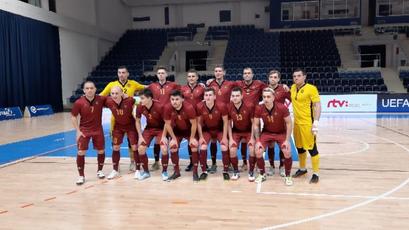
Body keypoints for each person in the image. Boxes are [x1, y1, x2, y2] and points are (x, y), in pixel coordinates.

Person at [100, 66, 145, 172]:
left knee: (132, 143)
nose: (121, 74)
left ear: (127, 74)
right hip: (115, 119)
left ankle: (133, 163)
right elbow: (101, 96)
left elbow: (145, 87)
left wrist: (155, 86)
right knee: (115, 144)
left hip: (129, 116)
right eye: (119, 72)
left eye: (123, 72)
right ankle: (116, 165)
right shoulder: (111, 85)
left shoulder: (133, 83)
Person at [253, 87, 293, 185]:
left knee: (287, 151)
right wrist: (258, 140)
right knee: (258, 150)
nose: (266, 99)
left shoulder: (282, 108)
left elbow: (289, 123)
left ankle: (288, 176)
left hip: (281, 133)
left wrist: (287, 140)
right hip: (267, 133)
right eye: (264, 97)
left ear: (273, 97)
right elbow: (256, 124)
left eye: (268, 97)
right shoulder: (259, 108)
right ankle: (262, 174)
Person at [71, 81, 107, 185]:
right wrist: (77, 131)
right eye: (87, 88)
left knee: (101, 150)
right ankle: (81, 176)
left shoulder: (101, 99)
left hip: (97, 129)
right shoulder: (79, 102)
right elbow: (73, 117)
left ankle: (100, 170)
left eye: (91, 88)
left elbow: (114, 98)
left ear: (95, 89)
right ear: (83, 90)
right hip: (84, 130)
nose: (89, 90)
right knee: (81, 152)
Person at [290, 68, 321, 184]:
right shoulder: (292, 88)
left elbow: (317, 105)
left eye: (298, 76)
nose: (296, 78)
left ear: (304, 77)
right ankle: (302, 169)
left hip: (308, 124)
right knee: (300, 148)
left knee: (312, 149)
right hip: (297, 124)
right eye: (294, 76)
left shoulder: (311, 89)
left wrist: (316, 122)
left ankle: (316, 173)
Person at [162, 90, 199, 181]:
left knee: (194, 146)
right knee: (173, 146)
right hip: (176, 131)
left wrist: (192, 138)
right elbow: (167, 124)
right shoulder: (167, 108)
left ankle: (195, 172)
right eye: (172, 99)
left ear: (182, 99)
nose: (174, 101)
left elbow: (194, 124)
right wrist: (173, 139)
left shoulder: (189, 108)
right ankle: (176, 172)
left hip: (189, 130)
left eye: (177, 99)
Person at [148, 66, 179, 171]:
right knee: (158, 142)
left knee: (172, 140)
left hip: (170, 116)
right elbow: (144, 93)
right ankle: (156, 162)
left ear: (166, 74)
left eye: (162, 73)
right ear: (157, 75)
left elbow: (183, 90)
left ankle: (175, 164)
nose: (161, 75)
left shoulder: (173, 85)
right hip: (157, 117)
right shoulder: (152, 86)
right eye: (159, 73)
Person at [206, 65, 236, 173]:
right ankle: (214, 164)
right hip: (213, 115)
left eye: (220, 71)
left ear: (224, 72)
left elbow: (243, 87)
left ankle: (229, 164)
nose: (218, 73)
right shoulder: (210, 84)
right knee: (213, 140)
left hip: (226, 116)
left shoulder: (230, 84)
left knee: (226, 141)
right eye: (216, 71)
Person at [235, 67, 266, 171]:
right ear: (243, 75)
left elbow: (270, 88)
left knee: (257, 140)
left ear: (253, 75)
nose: (247, 75)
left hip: (256, 118)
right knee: (244, 141)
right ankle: (244, 162)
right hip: (242, 118)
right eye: (245, 73)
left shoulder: (260, 84)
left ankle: (257, 163)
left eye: (249, 73)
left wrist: (282, 85)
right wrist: (210, 81)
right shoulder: (238, 84)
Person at [104, 86, 138, 180]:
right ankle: (115, 170)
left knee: (134, 146)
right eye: (112, 93)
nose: (114, 95)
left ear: (121, 93)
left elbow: (139, 101)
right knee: (115, 147)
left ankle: (138, 170)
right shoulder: (108, 101)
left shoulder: (130, 100)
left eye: (116, 93)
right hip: (118, 127)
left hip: (131, 126)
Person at [135, 89, 168, 181]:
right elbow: (137, 121)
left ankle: (164, 172)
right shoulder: (140, 107)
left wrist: (164, 136)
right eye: (140, 98)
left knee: (164, 148)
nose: (140, 100)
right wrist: (140, 136)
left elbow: (167, 123)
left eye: (142, 98)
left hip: (161, 129)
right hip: (149, 129)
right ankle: (146, 172)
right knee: (141, 149)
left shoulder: (160, 106)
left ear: (149, 98)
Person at [196, 88, 229, 181]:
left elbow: (226, 122)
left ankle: (225, 171)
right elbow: (198, 123)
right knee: (202, 147)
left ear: (215, 96)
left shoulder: (221, 106)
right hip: (207, 130)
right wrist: (201, 137)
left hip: (219, 130)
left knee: (224, 147)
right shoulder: (199, 106)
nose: (208, 97)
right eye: (206, 95)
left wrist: (225, 137)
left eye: (210, 95)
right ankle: (203, 171)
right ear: (204, 97)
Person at [266, 70, 291, 177]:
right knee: (270, 144)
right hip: (269, 121)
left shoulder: (283, 89)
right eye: (271, 77)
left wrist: (289, 90)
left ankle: (282, 166)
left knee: (282, 146)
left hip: (282, 122)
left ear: (279, 79)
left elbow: (293, 99)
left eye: (275, 77)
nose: (273, 79)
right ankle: (271, 166)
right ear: (268, 78)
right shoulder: (264, 89)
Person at [227, 87, 255, 181]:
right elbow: (228, 124)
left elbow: (254, 123)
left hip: (248, 131)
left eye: (237, 96)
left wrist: (252, 137)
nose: (235, 98)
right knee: (232, 149)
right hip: (236, 131)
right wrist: (230, 139)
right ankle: (236, 171)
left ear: (242, 96)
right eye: (233, 96)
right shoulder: (229, 106)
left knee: (251, 149)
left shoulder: (249, 106)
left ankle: (251, 172)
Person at [180, 69, 205, 172]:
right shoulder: (182, 88)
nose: (191, 78)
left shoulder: (202, 88)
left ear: (197, 77)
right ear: (187, 78)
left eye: (193, 76)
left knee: (202, 141)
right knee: (191, 141)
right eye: (189, 76)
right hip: (188, 119)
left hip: (200, 118)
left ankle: (204, 163)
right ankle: (192, 162)